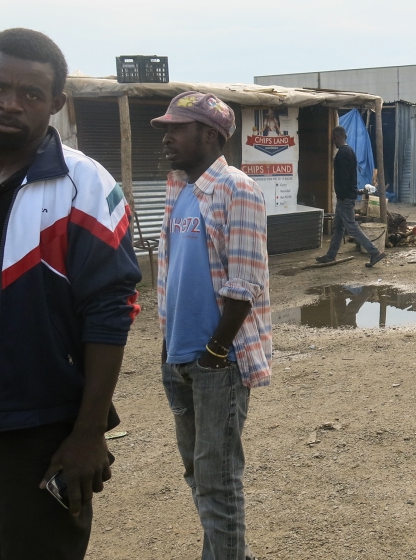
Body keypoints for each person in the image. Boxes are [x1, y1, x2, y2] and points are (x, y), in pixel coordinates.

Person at [0, 28, 141, 559]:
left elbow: (112, 308)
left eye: (31, 94)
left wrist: (87, 433)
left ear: (56, 104)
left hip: (44, 430)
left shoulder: (82, 186)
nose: (10, 103)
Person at [152, 91, 271, 560]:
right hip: (178, 355)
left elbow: (246, 283)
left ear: (209, 134)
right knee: (198, 475)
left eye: (176, 128)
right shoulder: (178, 189)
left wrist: (216, 350)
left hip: (216, 362)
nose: (166, 136)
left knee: (217, 480)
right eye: (165, 127)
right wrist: (171, 347)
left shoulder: (236, 189)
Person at [315, 126, 386, 267]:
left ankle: (375, 252)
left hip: (345, 198)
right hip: (346, 197)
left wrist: (343, 195)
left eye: (333, 138)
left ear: (336, 137)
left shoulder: (342, 154)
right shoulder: (350, 152)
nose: (333, 141)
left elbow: (344, 178)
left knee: (352, 228)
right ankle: (330, 256)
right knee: (339, 227)